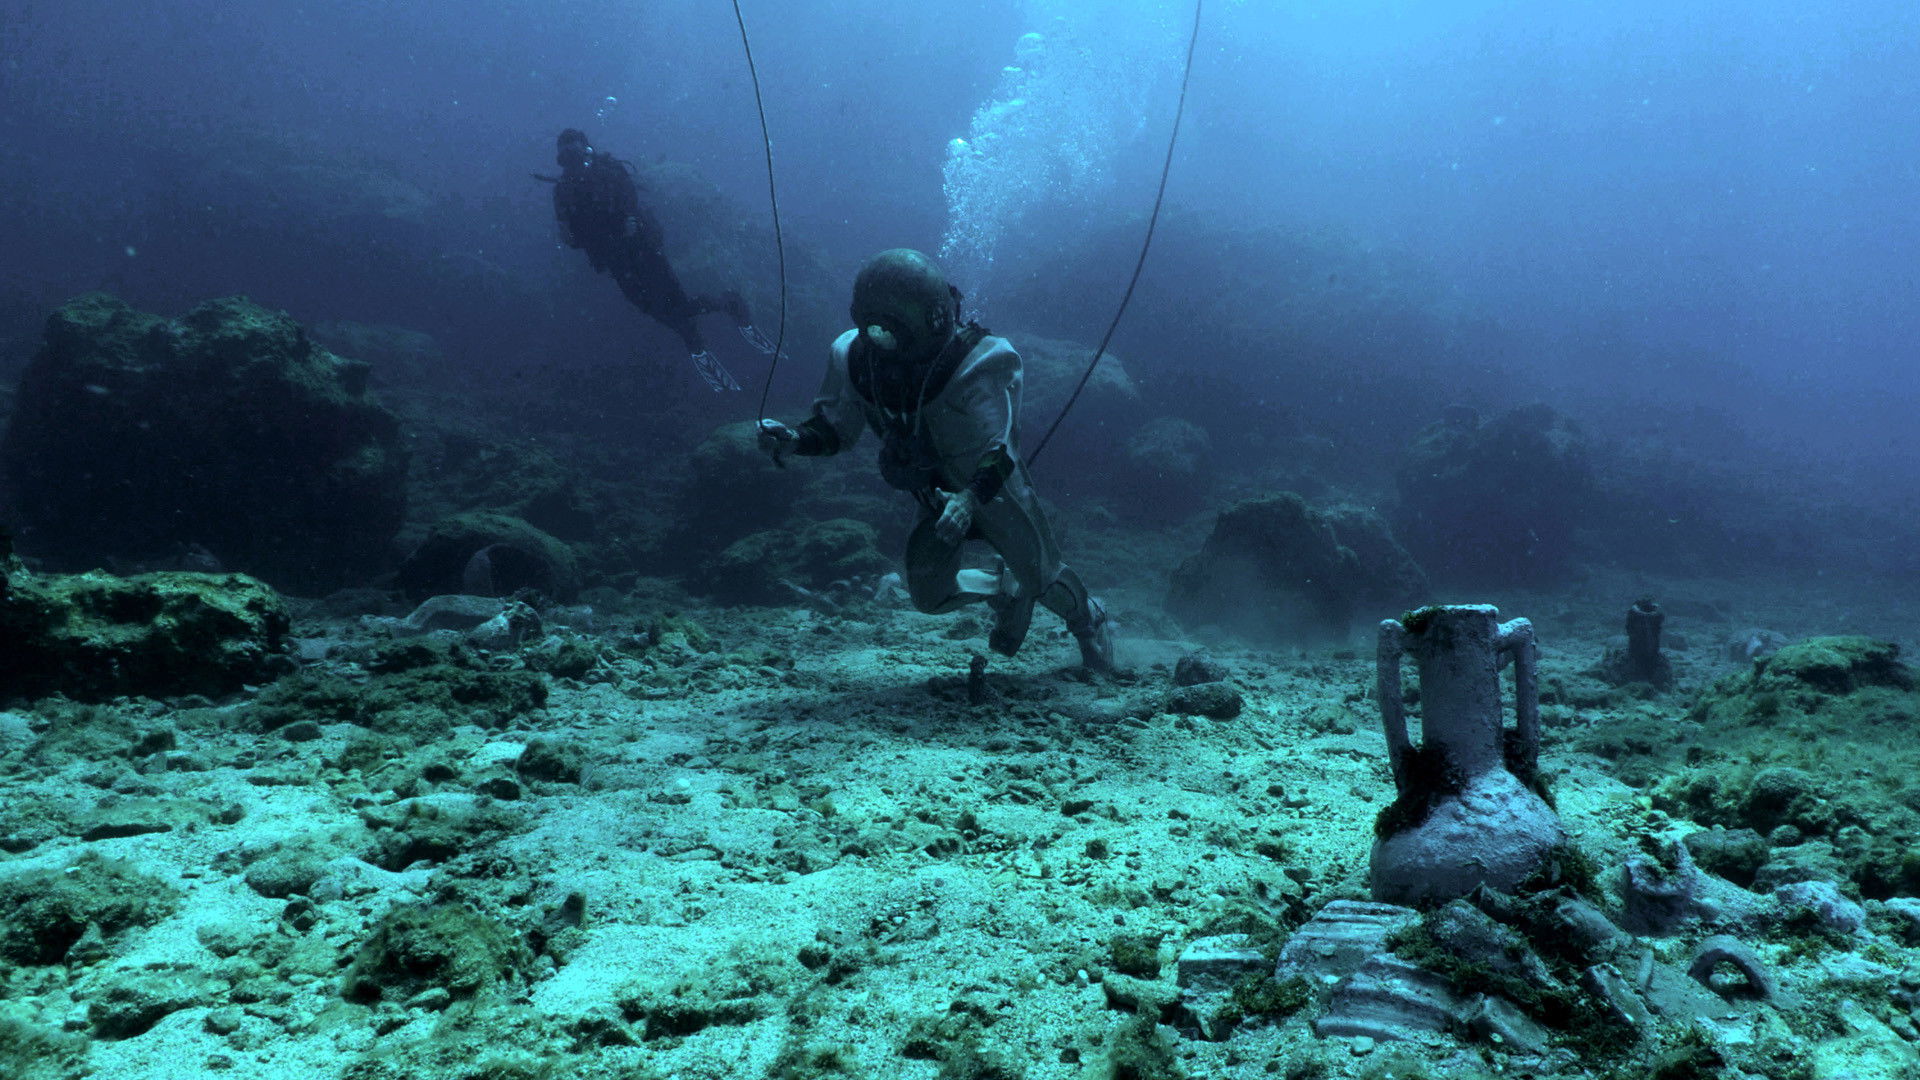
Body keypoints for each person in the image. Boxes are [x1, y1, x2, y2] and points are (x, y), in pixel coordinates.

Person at [757, 248, 1114, 670]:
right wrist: (796, 439)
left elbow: (1001, 451)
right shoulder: (853, 360)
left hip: (995, 492)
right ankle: (1002, 588)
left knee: (1043, 577)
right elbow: (839, 430)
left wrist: (969, 500)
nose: (882, 339)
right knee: (929, 594)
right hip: (933, 495)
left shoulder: (982, 363)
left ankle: (1088, 620)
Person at [548, 128, 775, 391]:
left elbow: (629, 199)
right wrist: (571, 236)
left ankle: (726, 304)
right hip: (614, 262)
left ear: (585, 148)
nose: (572, 158)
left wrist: (629, 222)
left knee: (675, 302)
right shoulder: (563, 190)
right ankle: (694, 336)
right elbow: (569, 231)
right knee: (651, 308)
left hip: (641, 249)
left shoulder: (607, 170)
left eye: (575, 150)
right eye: (566, 154)